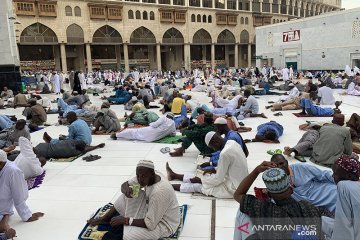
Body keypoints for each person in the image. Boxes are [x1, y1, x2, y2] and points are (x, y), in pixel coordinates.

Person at [233, 163, 333, 240]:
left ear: (269, 194)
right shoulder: (308, 206)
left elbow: (237, 195)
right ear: (291, 190)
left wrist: (256, 170)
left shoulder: (263, 208)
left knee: (243, 212)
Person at [87, 160, 180, 240]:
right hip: (153, 209)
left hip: (165, 224)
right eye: (138, 176)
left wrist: (126, 220)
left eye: (143, 176)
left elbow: (150, 224)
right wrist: (126, 189)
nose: (140, 179)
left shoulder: (159, 192)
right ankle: (104, 219)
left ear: (152, 174)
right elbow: (125, 184)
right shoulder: (151, 174)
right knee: (127, 195)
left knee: (128, 236)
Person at [166, 132, 248, 198]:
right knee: (203, 175)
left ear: (215, 142)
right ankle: (174, 176)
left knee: (199, 186)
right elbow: (230, 166)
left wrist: (200, 180)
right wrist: (214, 169)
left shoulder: (224, 153)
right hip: (241, 182)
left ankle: (169, 186)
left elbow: (218, 179)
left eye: (212, 147)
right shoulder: (232, 143)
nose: (214, 149)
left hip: (234, 189)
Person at [0, 150, 44, 239]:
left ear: (0, 163)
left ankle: (4, 217)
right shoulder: (2, 164)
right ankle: (4, 219)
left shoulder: (13, 171)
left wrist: (26, 215)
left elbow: (19, 195)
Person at [271, 154, 337, 212]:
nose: (279, 167)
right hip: (307, 204)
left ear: (286, 162)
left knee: (336, 195)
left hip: (322, 191)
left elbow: (323, 174)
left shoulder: (300, 167)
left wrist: (339, 180)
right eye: (276, 165)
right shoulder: (275, 181)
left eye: (281, 163)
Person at [321, 156, 360, 240]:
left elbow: (343, 229)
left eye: (335, 173)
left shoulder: (344, 187)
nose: (332, 176)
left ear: (349, 176)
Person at [35, 140, 105, 159]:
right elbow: (87, 149)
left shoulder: (70, 142)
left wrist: (97, 146)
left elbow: (86, 148)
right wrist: (97, 146)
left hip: (42, 146)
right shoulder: (74, 152)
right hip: (43, 153)